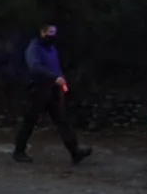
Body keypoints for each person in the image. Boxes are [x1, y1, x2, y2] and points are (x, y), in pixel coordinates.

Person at [12, 24, 92, 164]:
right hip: (37, 89)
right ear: (42, 32)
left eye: (54, 32)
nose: (53, 35)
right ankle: (19, 150)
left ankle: (74, 150)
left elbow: (55, 66)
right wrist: (54, 77)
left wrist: (60, 79)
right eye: (50, 32)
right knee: (29, 121)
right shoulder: (34, 48)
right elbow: (35, 67)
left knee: (62, 120)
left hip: (52, 89)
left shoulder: (51, 48)